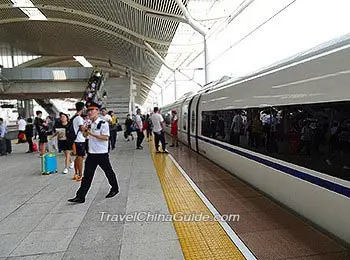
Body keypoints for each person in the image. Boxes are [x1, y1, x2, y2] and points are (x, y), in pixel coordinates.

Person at [68, 101, 119, 204]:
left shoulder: (103, 123)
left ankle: (115, 188)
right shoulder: (89, 124)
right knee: (87, 176)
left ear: (97, 111)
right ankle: (80, 196)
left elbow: (106, 138)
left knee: (108, 172)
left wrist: (92, 133)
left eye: (92, 110)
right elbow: (86, 136)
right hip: (91, 153)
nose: (90, 112)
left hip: (102, 154)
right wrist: (86, 132)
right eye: (89, 110)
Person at [72, 102, 86, 181]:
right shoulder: (79, 118)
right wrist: (86, 127)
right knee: (80, 157)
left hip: (76, 140)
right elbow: (82, 129)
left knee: (77, 157)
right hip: (80, 140)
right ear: (82, 108)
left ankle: (76, 173)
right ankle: (80, 174)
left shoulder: (74, 117)